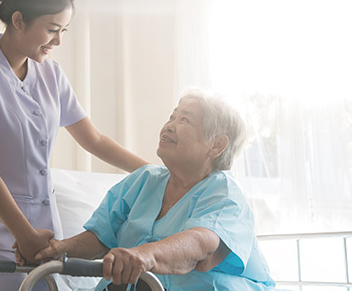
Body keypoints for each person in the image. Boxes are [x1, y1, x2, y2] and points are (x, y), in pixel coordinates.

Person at [0, 0, 148, 291]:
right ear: (18, 20)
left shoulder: (51, 74)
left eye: (63, 32)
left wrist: (155, 175)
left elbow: (94, 139)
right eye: (52, 29)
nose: (57, 41)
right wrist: (23, 234)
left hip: (45, 226)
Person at [34, 88, 276, 290]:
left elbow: (200, 243)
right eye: (172, 117)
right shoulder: (144, 180)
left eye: (185, 120)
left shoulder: (225, 194)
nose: (169, 126)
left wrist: (146, 254)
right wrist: (60, 249)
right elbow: (102, 236)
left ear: (216, 145)